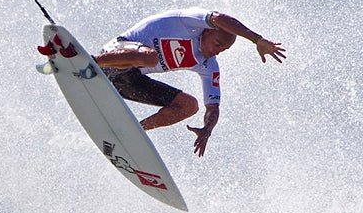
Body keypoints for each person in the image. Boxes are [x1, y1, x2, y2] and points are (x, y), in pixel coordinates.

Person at [92, 8, 285, 156]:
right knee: (151, 58)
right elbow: (219, 17)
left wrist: (207, 129)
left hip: (128, 81)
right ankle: (91, 63)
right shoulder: (189, 22)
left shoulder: (208, 65)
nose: (218, 51)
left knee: (189, 106)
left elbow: (212, 107)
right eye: (218, 44)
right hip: (115, 57)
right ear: (208, 32)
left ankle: (132, 132)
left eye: (223, 50)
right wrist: (257, 40)